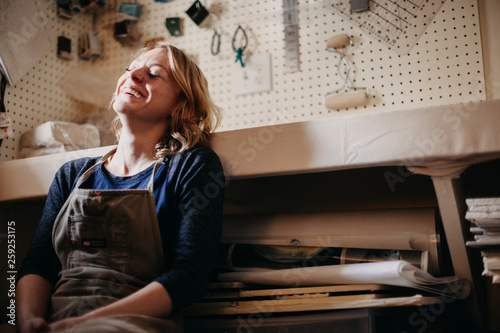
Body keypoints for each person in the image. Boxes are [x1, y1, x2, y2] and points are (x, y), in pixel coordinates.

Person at [16, 42, 226, 333]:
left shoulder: (192, 167)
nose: (134, 75)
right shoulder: (72, 175)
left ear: (184, 107)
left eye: (154, 74)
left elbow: (188, 278)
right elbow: (39, 264)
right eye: (130, 69)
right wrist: (27, 321)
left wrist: (82, 323)